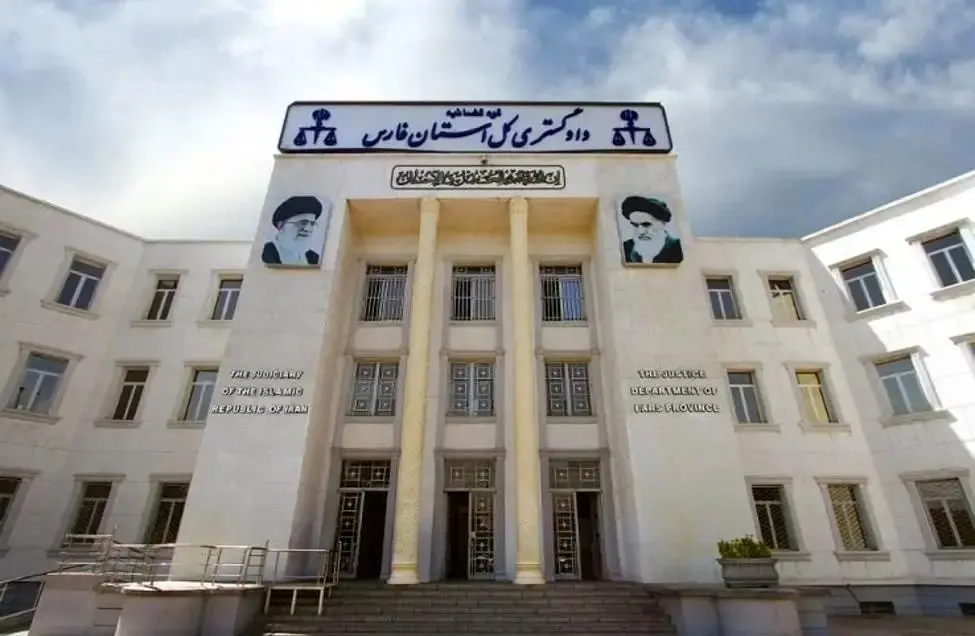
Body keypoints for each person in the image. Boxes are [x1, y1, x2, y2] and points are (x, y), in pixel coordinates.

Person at [261, 195, 326, 266]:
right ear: (281, 225)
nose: (307, 229)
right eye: (302, 223)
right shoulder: (266, 253)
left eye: (312, 224)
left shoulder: (313, 258)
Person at [619, 195, 684, 265]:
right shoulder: (626, 248)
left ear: (663, 223)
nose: (640, 231)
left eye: (646, 224)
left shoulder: (677, 248)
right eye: (635, 225)